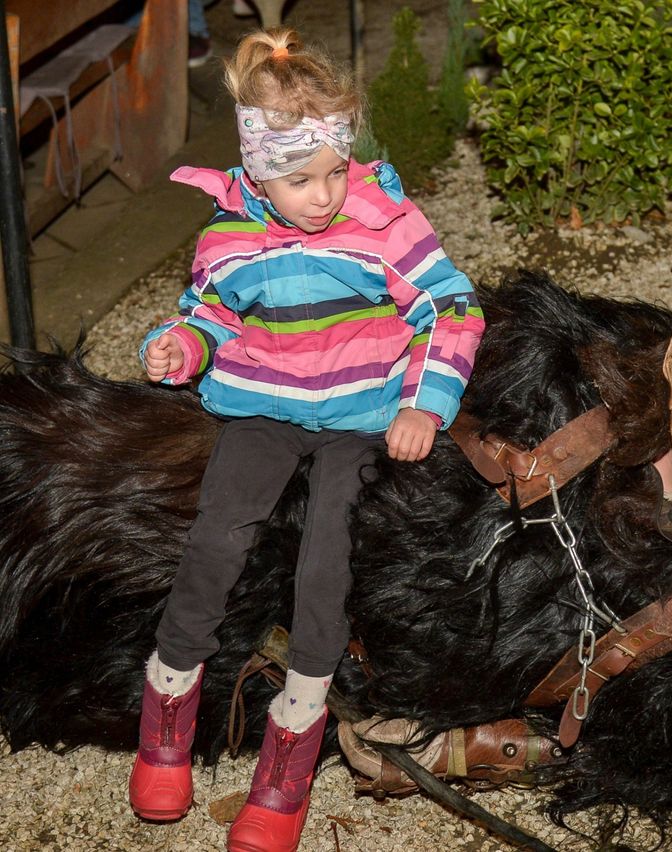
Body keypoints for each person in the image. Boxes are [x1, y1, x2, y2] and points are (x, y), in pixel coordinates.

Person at [127, 26, 484, 852]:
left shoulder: (383, 220)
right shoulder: (228, 235)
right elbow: (210, 313)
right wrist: (181, 346)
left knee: (328, 555)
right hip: (266, 404)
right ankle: (168, 702)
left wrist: (423, 404)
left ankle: (293, 739)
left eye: (334, 171)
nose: (323, 195)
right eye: (299, 180)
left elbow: (452, 306)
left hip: (361, 413)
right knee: (217, 533)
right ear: (256, 172)